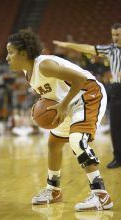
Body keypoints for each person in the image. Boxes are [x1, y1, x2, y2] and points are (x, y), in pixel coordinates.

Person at [6, 28, 113, 211]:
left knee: (77, 140)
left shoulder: (44, 65)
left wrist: (63, 105)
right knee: (54, 144)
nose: (7, 58)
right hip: (68, 103)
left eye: (10, 53)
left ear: (24, 53)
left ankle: (101, 195)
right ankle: (53, 190)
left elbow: (80, 79)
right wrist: (41, 106)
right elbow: (52, 92)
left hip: (88, 94)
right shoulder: (28, 73)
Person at [53, 23, 121, 169]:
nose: (115, 38)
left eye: (118, 35)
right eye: (114, 35)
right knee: (115, 126)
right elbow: (88, 48)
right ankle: (118, 157)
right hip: (116, 88)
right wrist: (68, 45)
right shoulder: (111, 49)